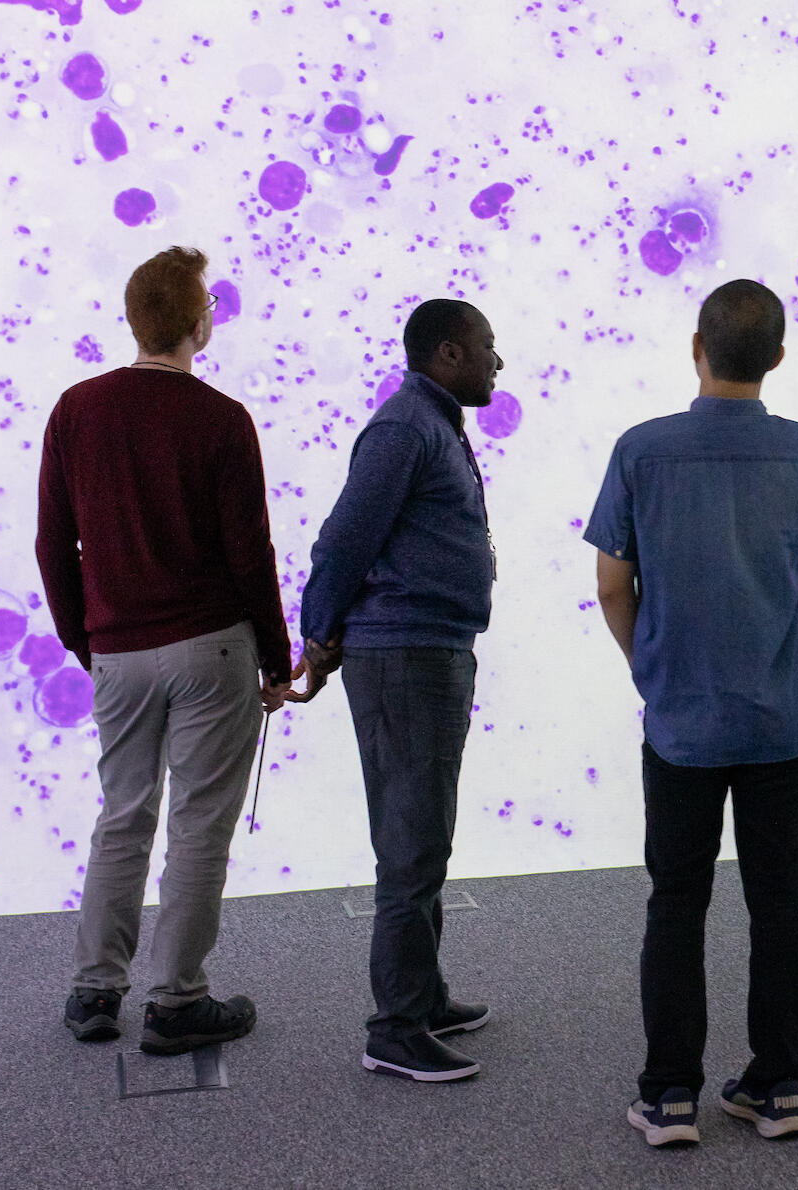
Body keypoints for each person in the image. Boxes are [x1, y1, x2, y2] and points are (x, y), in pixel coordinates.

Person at [587, 280, 798, 1147]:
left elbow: (612, 584)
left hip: (681, 719)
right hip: (777, 717)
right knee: (780, 902)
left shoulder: (641, 450)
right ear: (776, 356)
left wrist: (646, 665)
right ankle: (778, 1087)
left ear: (696, 346)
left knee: (676, 903)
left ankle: (668, 1096)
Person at [38, 245, 291, 1055]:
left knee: (121, 817)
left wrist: (89, 640)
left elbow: (54, 545)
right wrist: (278, 662)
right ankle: (178, 999)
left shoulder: (75, 409)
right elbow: (250, 553)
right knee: (197, 827)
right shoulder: (221, 418)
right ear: (198, 321)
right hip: (211, 649)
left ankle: (94, 992)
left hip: (118, 651)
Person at [288, 299, 502, 1083]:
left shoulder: (430, 425)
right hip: (405, 655)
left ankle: (423, 993)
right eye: (486, 347)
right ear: (447, 354)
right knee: (410, 841)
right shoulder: (405, 429)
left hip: (429, 649)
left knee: (425, 833)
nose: (496, 362)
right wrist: (317, 633)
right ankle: (395, 1027)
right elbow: (342, 540)